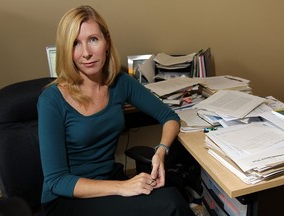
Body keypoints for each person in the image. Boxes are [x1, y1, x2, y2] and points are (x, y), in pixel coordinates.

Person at [37, 5, 195, 216]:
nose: (86, 53)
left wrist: (160, 151)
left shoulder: (120, 82)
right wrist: (123, 187)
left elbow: (169, 117)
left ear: (107, 42)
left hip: (110, 181)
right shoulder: (51, 100)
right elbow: (57, 181)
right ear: (66, 50)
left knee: (174, 190)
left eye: (93, 39)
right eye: (75, 43)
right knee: (171, 203)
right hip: (68, 199)